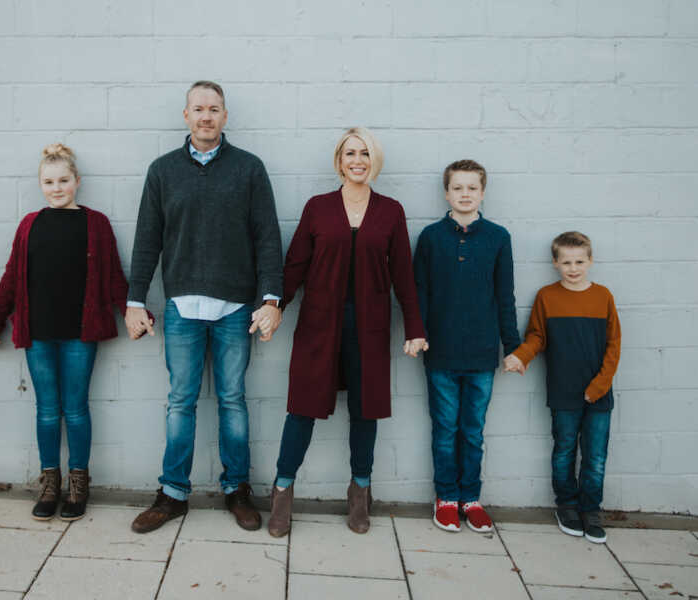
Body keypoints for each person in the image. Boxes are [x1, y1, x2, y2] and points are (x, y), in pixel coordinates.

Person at [126, 80, 283, 534]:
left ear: (225, 116)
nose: (206, 116)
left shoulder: (250, 169)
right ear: (186, 115)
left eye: (214, 109)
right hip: (181, 306)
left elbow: (268, 237)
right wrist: (135, 300)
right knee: (181, 401)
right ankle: (173, 493)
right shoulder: (162, 171)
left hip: (236, 307)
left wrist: (271, 298)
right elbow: (146, 241)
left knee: (233, 400)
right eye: (198, 109)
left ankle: (237, 490)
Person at [267, 128, 427, 537]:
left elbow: (404, 276)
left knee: (366, 409)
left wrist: (414, 327)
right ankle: (282, 489)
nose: (358, 160)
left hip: (370, 327)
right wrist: (275, 306)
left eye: (365, 153)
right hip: (319, 324)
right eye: (350, 153)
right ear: (339, 161)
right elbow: (296, 265)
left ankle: (360, 490)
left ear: (375, 161)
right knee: (302, 407)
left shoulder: (390, 211)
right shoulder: (318, 208)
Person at [0, 143, 132, 522]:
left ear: (77, 182)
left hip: (80, 335)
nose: (57, 187)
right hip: (40, 334)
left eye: (64, 180)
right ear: (40, 185)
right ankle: (50, 482)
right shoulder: (30, 225)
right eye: (49, 182)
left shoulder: (95, 223)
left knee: (76, 409)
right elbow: (12, 279)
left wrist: (131, 311)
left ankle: (79, 482)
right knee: (48, 411)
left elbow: (113, 274)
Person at [413, 159, 520, 534]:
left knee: (472, 431)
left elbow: (505, 296)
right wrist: (416, 331)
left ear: (482, 192)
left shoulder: (498, 237)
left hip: (481, 355)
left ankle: (470, 498)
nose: (464, 194)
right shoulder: (430, 237)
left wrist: (513, 346)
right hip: (440, 353)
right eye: (458, 188)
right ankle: (446, 498)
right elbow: (419, 293)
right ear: (447, 193)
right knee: (445, 429)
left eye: (472, 188)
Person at [504, 232, 621, 544]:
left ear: (590, 261)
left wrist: (598, 386)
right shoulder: (546, 297)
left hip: (598, 394)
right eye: (566, 262)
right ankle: (567, 506)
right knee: (564, 450)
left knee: (595, 456)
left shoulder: (604, 297)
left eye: (579, 261)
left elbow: (614, 346)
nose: (573, 268)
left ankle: (591, 509)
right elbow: (537, 336)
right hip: (562, 391)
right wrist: (520, 355)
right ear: (555, 263)